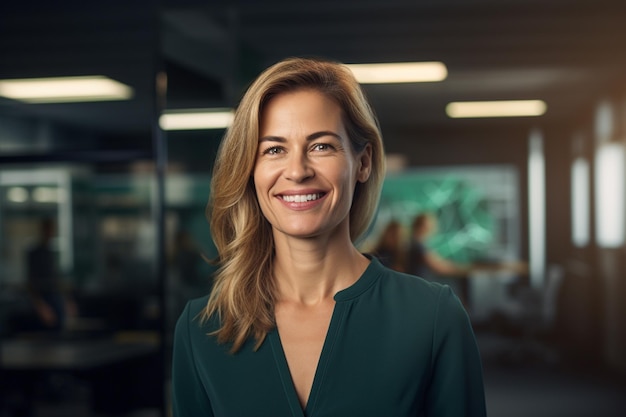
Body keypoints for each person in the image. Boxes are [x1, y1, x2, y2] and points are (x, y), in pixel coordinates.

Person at [171, 57, 486, 417]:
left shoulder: (431, 317)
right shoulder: (202, 328)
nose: (297, 171)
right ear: (249, 170)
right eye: (274, 150)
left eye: (321, 146)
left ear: (363, 163)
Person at [25, 218, 77, 332]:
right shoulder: (35, 254)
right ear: (42, 231)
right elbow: (31, 282)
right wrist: (40, 306)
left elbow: (56, 280)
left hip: (54, 298)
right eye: (48, 230)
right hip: (43, 300)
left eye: (52, 230)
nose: (50, 234)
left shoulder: (50, 253)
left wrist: (66, 301)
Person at [407, 212, 472, 280]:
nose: (434, 228)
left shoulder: (415, 244)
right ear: (423, 226)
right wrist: (471, 269)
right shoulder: (418, 246)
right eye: (432, 225)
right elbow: (440, 267)